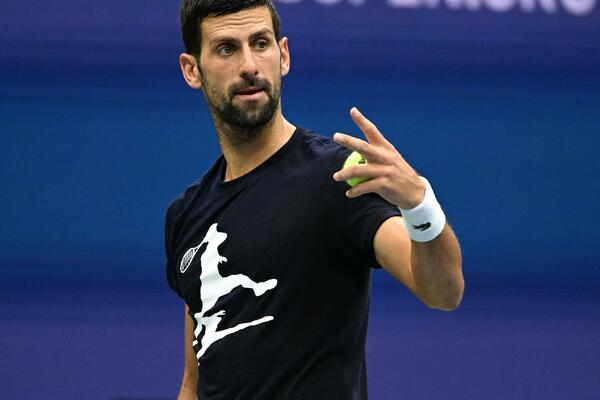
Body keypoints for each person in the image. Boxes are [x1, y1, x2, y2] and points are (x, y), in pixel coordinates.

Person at [165, 1, 464, 399]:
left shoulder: (339, 175)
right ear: (191, 70)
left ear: (283, 55)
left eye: (261, 43)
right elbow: (195, 381)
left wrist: (419, 204)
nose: (250, 65)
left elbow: (443, 292)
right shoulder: (186, 215)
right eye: (226, 49)